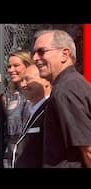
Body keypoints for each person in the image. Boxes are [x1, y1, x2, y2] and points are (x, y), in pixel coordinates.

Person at [32, 29, 91, 168]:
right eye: (33, 53)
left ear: (65, 54)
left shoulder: (66, 89)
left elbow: (88, 149)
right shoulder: (73, 84)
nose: (35, 58)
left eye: (41, 51)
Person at [0, 50, 32, 168]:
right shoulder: (6, 97)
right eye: (9, 67)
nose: (11, 70)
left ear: (27, 66)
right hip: (10, 159)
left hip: (31, 156)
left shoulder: (36, 93)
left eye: (16, 66)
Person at [11, 64, 51, 168]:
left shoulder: (50, 109)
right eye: (22, 80)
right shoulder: (29, 110)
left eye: (27, 80)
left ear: (46, 81)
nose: (23, 84)